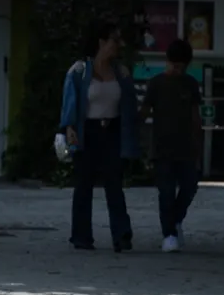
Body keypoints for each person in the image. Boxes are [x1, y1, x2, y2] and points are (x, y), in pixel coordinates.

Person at [60, 20, 139, 252]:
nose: (119, 45)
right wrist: (69, 127)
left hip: (112, 131)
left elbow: (129, 106)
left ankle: (122, 235)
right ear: (101, 42)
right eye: (115, 40)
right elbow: (69, 102)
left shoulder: (120, 72)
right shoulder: (79, 71)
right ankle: (81, 237)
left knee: (115, 184)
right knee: (83, 185)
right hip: (88, 132)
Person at [140, 38, 201, 252]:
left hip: (186, 148)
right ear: (168, 61)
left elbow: (195, 116)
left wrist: (197, 143)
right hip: (162, 147)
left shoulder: (191, 84)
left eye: (181, 67)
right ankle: (169, 233)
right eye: (175, 66)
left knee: (189, 188)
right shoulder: (157, 84)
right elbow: (145, 112)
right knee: (165, 192)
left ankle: (175, 221)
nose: (177, 70)